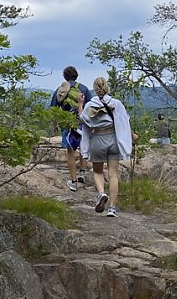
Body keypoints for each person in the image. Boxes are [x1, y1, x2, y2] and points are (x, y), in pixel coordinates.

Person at [79, 76, 133, 218]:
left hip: (98, 138)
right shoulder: (116, 103)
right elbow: (124, 121)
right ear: (107, 88)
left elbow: (84, 121)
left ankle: (102, 193)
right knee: (113, 174)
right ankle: (112, 209)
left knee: (97, 172)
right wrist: (130, 136)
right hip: (113, 139)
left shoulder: (90, 105)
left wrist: (80, 105)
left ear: (95, 89)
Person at [50, 66, 92, 192]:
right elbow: (90, 107)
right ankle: (82, 173)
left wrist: (55, 124)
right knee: (83, 148)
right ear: (76, 75)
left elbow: (54, 108)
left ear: (65, 76)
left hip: (67, 123)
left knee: (70, 152)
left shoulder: (60, 89)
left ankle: (73, 181)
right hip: (82, 123)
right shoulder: (83, 88)